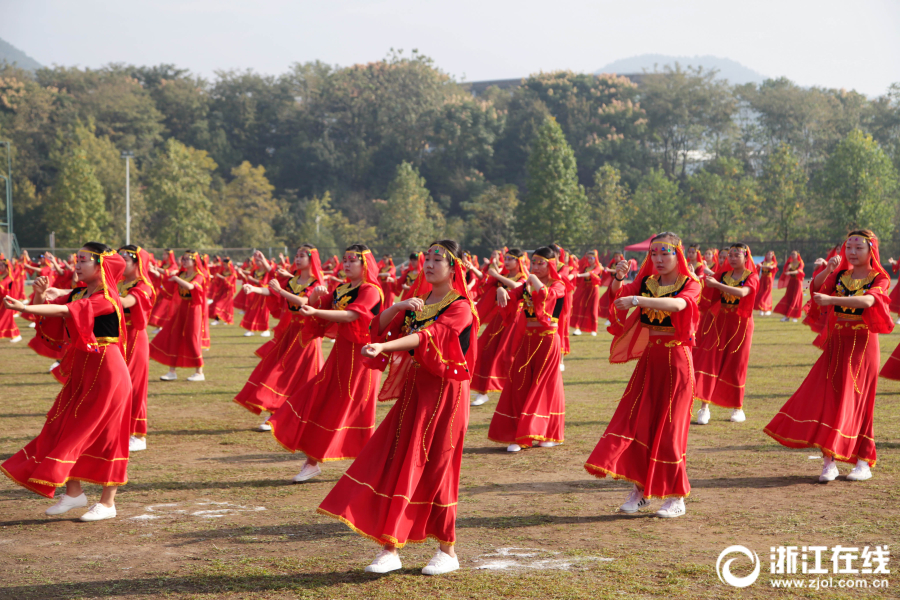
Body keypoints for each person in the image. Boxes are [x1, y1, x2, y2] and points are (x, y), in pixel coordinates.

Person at [319, 240, 477, 576]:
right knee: (394, 460)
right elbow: (377, 327)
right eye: (427, 259)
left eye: (438, 259)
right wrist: (397, 306)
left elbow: (429, 338)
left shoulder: (460, 305)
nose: (430, 264)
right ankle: (390, 547)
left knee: (436, 468)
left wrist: (384, 346)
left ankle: (447, 550)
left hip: (447, 397)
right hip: (415, 392)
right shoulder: (418, 301)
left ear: (454, 268)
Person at [1, 243, 131, 522]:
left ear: (101, 266)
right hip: (84, 370)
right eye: (77, 259)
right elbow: (57, 311)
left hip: (108, 372)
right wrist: (39, 294)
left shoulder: (107, 298)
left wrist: (24, 304)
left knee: (107, 436)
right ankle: (74, 493)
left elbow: (65, 312)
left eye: (83, 260)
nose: (77, 265)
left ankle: (108, 503)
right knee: (60, 425)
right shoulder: (82, 292)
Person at [584, 232, 701, 518]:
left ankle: (676, 496)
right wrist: (620, 279)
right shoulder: (647, 283)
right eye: (654, 254)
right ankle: (641, 490)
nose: (658, 259)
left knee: (671, 430)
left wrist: (638, 299)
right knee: (640, 424)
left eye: (665, 253)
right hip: (651, 360)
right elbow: (617, 298)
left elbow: (678, 305)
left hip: (677, 363)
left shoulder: (690, 283)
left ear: (678, 255)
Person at [766, 231, 892, 482]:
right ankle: (829, 462)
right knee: (829, 399)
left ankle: (863, 460)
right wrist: (829, 270)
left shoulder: (880, 277)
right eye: (849, 248)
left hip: (863, 345)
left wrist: (833, 298)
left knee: (858, 402)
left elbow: (869, 300)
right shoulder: (841, 275)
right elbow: (816, 289)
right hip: (837, 342)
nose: (852, 253)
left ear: (871, 251)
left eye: (858, 248)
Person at [266, 244, 383, 482]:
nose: (347, 264)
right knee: (322, 400)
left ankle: (368, 464)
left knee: (354, 410)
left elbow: (351, 315)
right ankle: (312, 462)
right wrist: (317, 298)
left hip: (362, 358)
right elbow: (313, 304)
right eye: (345, 259)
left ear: (364, 265)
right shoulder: (341, 288)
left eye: (353, 260)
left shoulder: (371, 290)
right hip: (340, 355)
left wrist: (315, 312)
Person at [234, 245, 326, 431]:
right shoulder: (294, 280)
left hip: (307, 334)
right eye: (297, 255)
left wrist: (281, 291)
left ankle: (299, 415)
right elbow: (272, 291)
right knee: (280, 369)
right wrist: (254, 289)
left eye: (302, 256)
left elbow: (304, 302)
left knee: (301, 376)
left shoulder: (316, 283)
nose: (298, 259)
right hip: (291, 332)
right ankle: (275, 413)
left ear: (311, 259)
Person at [486, 247, 568, 452]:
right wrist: (500, 290)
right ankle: (518, 432)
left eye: (541, 263)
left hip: (548, 341)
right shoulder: (527, 285)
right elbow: (512, 295)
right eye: (534, 263)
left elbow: (545, 295)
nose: (536, 267)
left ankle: (543, 432)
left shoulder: (559, 285)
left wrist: (531, 279)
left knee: (544, 385)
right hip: (528, 340)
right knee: (519, 383)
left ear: (551, 265)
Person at [693, 244, 759, 425]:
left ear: (746, 257)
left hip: (741, 325)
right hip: (720, 323)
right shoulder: (722, 276)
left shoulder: (751, 276)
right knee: (710, 360)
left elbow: (743, 292)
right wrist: (693, 278)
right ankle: (704, 408)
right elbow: (705, 291)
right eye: (730, 254)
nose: (732, 258)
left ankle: (737, 407)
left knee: (737, 364)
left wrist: (717, 284)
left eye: (737, 254)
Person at [469, 249, 528, 406]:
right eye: (506, 258)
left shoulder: (522, 277)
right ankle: (482, 391)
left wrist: (497, 277)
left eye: (510, 259)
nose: (507, 261)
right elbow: (486, 283)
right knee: (484, 349)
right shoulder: (504, 275)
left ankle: (514, 391)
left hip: (514, 319)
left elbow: (518, 287)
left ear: (519, 261)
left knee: (506, 356)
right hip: (499, 318)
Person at [117, 246, 156, 452]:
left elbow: (125, 302)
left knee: (134, 387)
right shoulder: (119, 282)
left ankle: (138, 435)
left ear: (137, 262)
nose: (121, 263)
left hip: (134, 339)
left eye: (125, 259)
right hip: (118, 338)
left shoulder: (143, 286)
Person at [149, 251, 208, 382]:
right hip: (182, 308)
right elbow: (167, 282)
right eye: (184, 259)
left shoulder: (199, 275)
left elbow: (191, 286)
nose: (184, 261)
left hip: (193, 309)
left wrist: (175, 278)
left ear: (194, 261)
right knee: (174, 336)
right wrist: (155, 273)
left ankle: (199, 372)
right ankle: (172, 371)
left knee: (192, 338)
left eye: (187, 259)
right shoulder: (182, 274)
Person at [239, 251, 272, 337]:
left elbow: (265, 284)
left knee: (263, 312)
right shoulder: (255, 271)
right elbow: (248, 280)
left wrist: (254, 280)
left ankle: (266, 329)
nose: (256, 262)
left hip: (265, 295)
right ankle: (250, 329)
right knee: (252, 311)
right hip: (256, 295)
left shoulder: (267, 272)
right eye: (256, 261)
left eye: (258, 260)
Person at [570, 250, 602, 336]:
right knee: (580, 307)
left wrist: (580, 275)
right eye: (588, 258)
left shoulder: (597, 267)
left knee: (593, 308)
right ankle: (578, 328)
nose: (590, 260)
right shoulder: (585, 267)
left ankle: (594, 329)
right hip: (585, 289)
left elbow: (590, 274)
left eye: (592, 258)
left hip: (593, 290)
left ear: (595, 258)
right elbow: (578, 270)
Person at [774, 251, 805, 322]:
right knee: (789, 297)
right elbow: (785, 272)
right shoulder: (789, 264)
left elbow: (799, 271)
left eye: (794, 254)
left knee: (796, 298)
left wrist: (790, 272)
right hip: (791, 282)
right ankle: (786, 316)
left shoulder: (800, 263)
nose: (792, 255)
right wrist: (788, 268)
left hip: (798, 282)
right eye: (791, 254)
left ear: (797, 255)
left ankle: (795, 316)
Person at [0, 255, 22, 343]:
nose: (0, 267)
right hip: (2, 301)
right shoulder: (2, 276)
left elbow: (3, 288)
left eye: (1, 265)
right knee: (8, 320)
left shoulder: (9, 278)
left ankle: (16, 335)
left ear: (6, 267)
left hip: (7, 301)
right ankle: (16, 335)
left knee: (3, 319)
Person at [210, 257, 236, 325]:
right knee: (218, 303)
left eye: (225, 265)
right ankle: (218, 319)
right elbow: (218, 281)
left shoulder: (232, 273)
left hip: (228, 292)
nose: (224, 266)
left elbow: (230, 282)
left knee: (220, 305)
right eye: (223, 265)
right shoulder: (223, 272)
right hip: (221, 290)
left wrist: (221, 277)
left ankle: (223, 319)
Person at [755, 250, 778, 316]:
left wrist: (761, 266)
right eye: (768, 254)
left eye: (770, 254)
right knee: (761, 292)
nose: (768, 256)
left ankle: (766, 309)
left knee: (767, 293)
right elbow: (758, 265)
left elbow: (771, 267)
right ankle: (761, 309)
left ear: (772, 256)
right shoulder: (763, 262)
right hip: (762, 279)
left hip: (769, 279)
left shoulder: (773, 263)